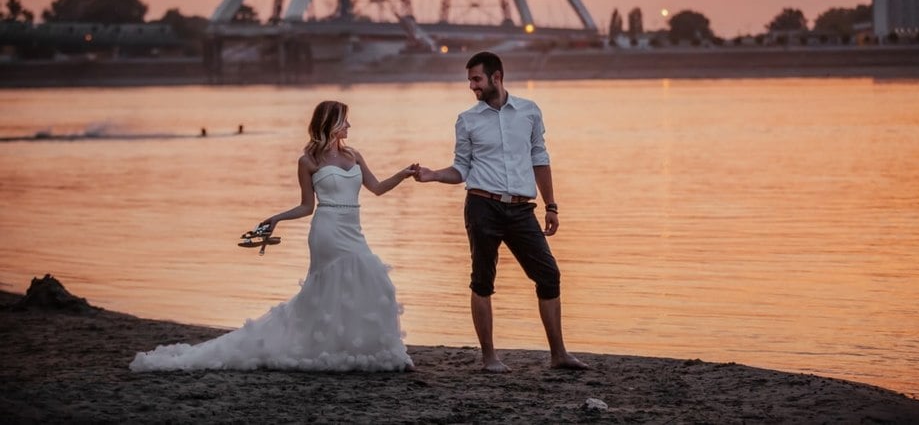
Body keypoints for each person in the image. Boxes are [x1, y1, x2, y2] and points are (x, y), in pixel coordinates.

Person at [130, 100, 417, 373]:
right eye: (345, 120)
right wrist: (277, 217)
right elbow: (307, 206)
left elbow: (377, 188)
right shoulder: (308, 160)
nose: (349, 125)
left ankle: (354, 346)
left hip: (353, 227)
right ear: (330, 123)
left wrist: (403, 174)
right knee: (332, 283)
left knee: (371, 278)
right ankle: (327, 346)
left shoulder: (354, 155)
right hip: (327, 229)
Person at [415, 51, 588, 372]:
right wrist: (434, 175)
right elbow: (461, 169)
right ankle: (490, 358)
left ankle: (559, 355)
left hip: (523, 210)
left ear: (497, 77)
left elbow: (540, 158)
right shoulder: (467, 120)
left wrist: (551, 206)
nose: (471, 86)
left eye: (476, 79)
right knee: (482, 280)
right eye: (469, 80)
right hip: (482, 206)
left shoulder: (529, 112)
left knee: (548, 275)